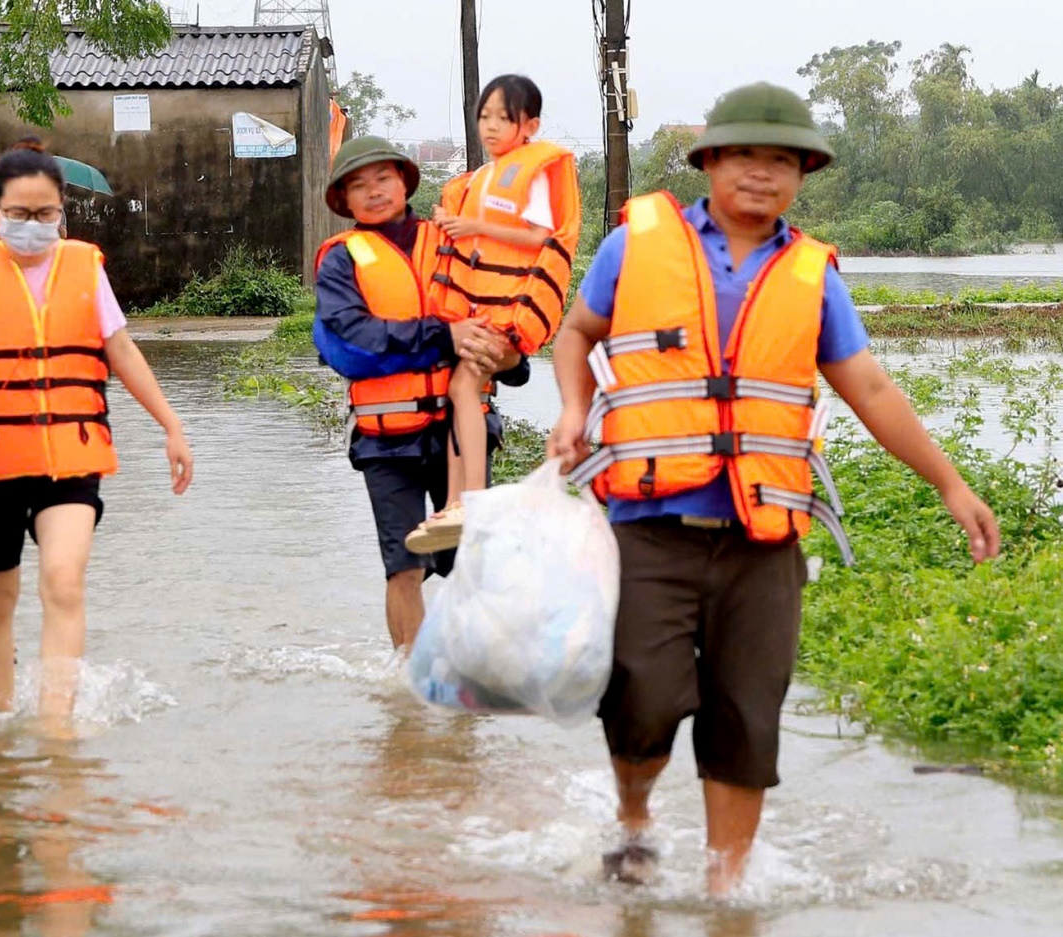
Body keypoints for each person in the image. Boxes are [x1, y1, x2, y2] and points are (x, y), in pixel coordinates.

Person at [546, 83, 1001, 896]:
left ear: (802, 175)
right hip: (648, 522)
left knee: (747, 714)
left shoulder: (810, 274)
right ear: (712, 161)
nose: (764, 174)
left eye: (784, 161)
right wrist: (575, 409)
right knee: (642, 695)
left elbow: (870, 387)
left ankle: (727, 889)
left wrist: (951, 485)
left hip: (764, 535)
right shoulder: (635, 246)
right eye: (747, 156)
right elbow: (577, 332)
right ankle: (637, 822)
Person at [0, 137, 194, 730]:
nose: (32, 225)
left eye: (45, 213)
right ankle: (2, 724)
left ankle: (56, 730)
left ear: (62, 212)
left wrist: (171, 425)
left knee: (63, 581)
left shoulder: (85, 267)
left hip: (71, 457)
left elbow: (122, 351)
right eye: (19, 214)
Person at [312, 135, 530, 650]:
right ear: (343, 201)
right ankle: (410, 687)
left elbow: (504, 314)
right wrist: (441, 336)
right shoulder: (341, 261)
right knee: (403, 567)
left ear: (405, 181)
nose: (373, 192)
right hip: (386, 441)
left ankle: (474, 670)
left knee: (470, 562)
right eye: (358, 186)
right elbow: (352, 337)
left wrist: (510, 357)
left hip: (462, 429)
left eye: (383, 178)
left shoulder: (454, 240)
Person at [406, 75, 581, 555]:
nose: (490, 125)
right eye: (485, 115)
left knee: (463, 387)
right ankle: (454, 503)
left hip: (509, 311)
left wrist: (473, 224)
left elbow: (540, 238)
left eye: (503, 117)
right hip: (480, 306)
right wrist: (451, 227)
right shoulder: (481, 178)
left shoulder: (534, 174)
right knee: (462, 390)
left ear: (530, 125)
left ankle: (471, 500)